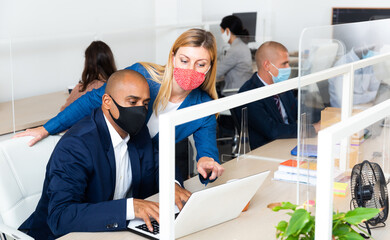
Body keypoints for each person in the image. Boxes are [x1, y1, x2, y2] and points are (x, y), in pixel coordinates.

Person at [15, 28, 224, 182]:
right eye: (184, 60)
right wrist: (46, 128)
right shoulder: (143, 75)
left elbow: (207, 151)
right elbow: (93, 99)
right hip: (108, 159)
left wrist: (207, 164)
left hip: (146, 172)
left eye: (200, 64)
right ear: (172, 57)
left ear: (209, 67)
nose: (190, 69)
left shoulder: (204, 106)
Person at [19, 70, 191, 239]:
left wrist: (172, 184)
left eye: (145, 104)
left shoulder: (138, 132)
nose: (140, 110)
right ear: (107, 101)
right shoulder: (77, 145)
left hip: (112, 232)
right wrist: (129, 208)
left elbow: (159, 164)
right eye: (132, 102)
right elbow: (61, 217)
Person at [236, 41, 320, 149]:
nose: (288, 68)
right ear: (267, 65)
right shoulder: (249, 93)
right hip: (267, 150)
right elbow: (273, 131)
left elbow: (299, 110)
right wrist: (314, 128)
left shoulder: (280, 86)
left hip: (289, 142)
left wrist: (327, 115)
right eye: (284, 64)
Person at [60, 40, 116, 111]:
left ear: (88, 63)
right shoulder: (118, 88)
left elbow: (63, 113)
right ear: (110, 61)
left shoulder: (80, 90)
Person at [217, 15, 253, 96]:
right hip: (244, 89)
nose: (221, 35)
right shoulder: (242, 45)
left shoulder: (235, 50)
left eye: (222, 32)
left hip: (235, 93)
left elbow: (217, 73)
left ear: (227, 31)